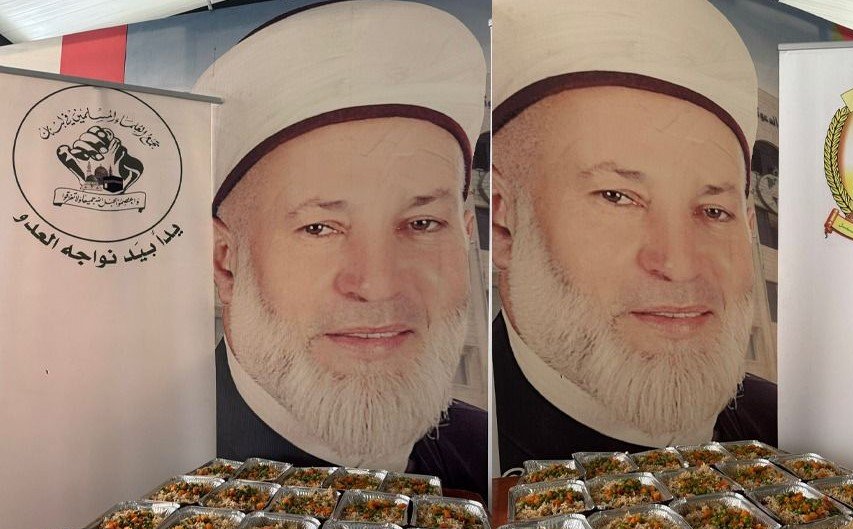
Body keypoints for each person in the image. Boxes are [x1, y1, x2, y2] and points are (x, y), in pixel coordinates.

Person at [194, 0, 488, 497]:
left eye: (422, 223)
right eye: (319, 228)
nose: (378, 285)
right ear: (226, 261)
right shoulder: (156, 460)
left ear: (464, 236)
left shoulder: (482, 452)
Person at [491, 0, 777, 472]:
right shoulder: (471, 454)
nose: (679, 265)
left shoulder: (777, 427)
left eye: (713, 211)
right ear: (506, 225)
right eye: (617, 197)